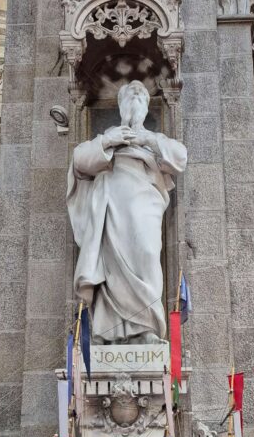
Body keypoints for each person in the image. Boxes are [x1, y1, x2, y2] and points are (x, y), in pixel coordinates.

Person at [67, 80, 187, 343]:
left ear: (146, 108)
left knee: (147, 253)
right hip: (112, 205)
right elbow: (79, 160)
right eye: (129, 98)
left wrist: (149, 139)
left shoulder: (153, 141)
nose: (135, 102)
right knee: (110, 268)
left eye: (141, 98)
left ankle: (148, 327)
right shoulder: (111, 136)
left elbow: (180, 157)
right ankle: (106, 331)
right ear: (121, 106)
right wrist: (108, 141)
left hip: (146, 205)